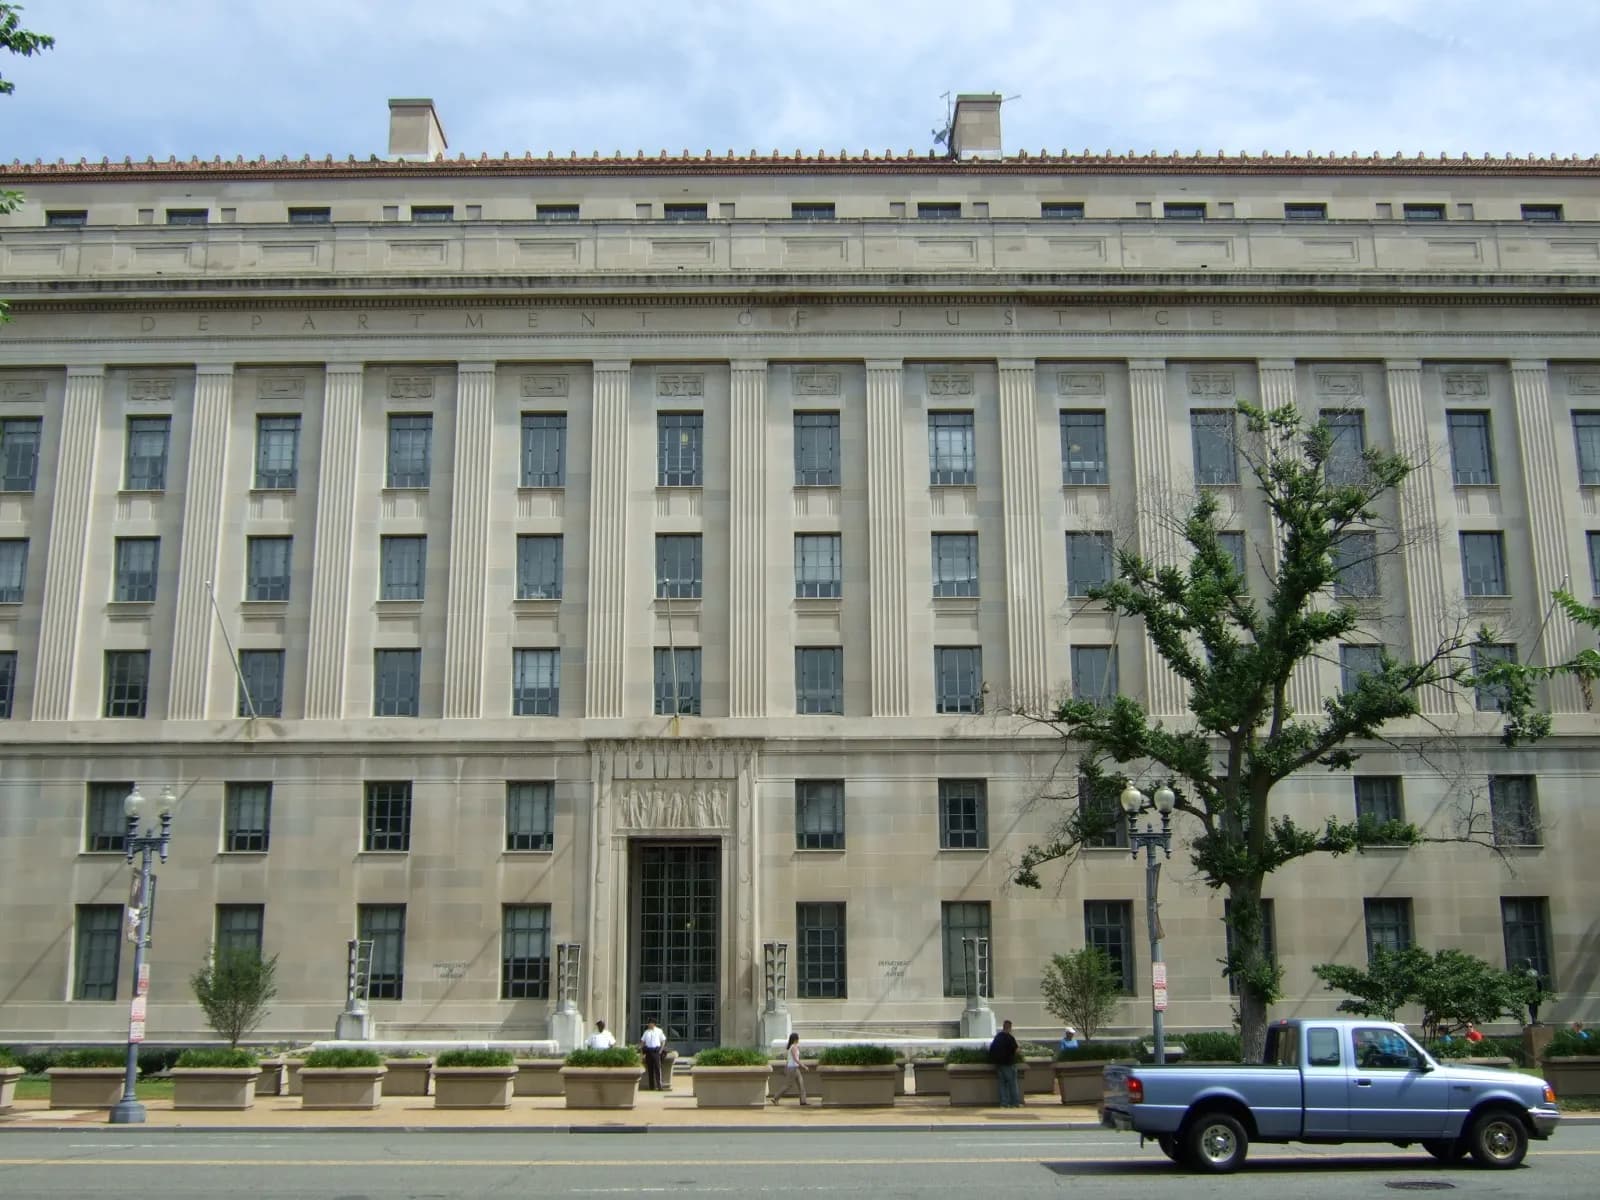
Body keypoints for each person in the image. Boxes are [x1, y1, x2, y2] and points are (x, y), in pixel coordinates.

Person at [770, 1032, 809, 1105]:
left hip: (794, 1068)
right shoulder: (793, 1047)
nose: (798, 1040)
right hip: (793, 1069)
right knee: (788, 1085)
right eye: (798, 1038)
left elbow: (789, 1060)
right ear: (795, 1039)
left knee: (801, 1084)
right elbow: (795, 1059)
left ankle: (803, 1101)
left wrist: (786, 1068)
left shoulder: (792, 1047)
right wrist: (804, 1066)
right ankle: (775, 1098)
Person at [990, 1019, 1022, 1108]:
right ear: (1010, 1028)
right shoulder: (1010, 1038)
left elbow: (992, 1050)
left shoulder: (997, 1037)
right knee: (1012, 1084)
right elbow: (1016, 1050)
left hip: (999, 1064)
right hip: (1009, 1064)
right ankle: (1014, 1103)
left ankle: (1004, 1103)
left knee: (1002, 1085)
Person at [640, 1019, 667, 1089]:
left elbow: (663, 1041)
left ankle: (659, 1086)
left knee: (657, 1069)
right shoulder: (646, 1032)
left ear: (654, 1024)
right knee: (650, 1069)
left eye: (651, 1023)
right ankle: (651, 1086)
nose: (649, 1024)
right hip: (649, 1051)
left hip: (656, 1051)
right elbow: (642, 1042)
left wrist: (661, 1050)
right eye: (648, 1023)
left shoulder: (659, 1031)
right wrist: (642, 1052)